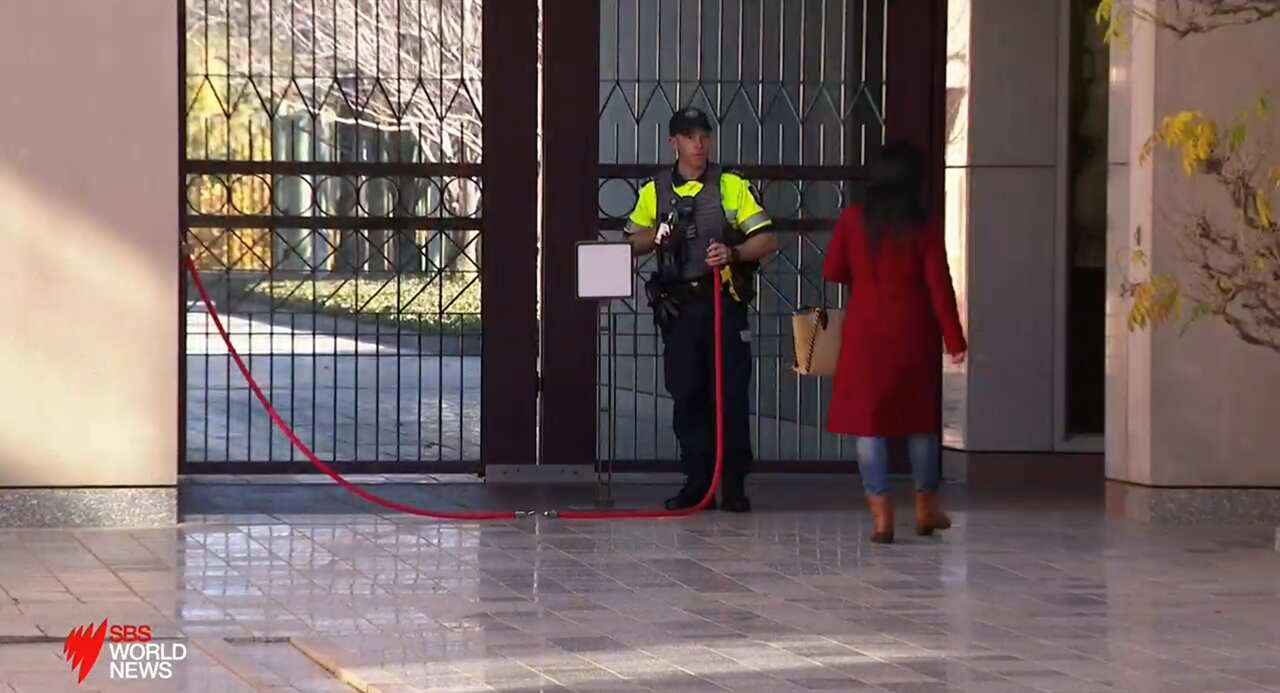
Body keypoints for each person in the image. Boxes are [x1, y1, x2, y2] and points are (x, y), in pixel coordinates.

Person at [624, 106, 778, 512]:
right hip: (681, 309)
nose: (699, 144)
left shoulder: (730, 186)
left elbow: (766, 240)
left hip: (723, 305)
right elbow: (629, 243)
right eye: (690, 136)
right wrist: (655, 235)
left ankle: (733, 484)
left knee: (729, 393)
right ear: (673, 142)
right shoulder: (654, 191)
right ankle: (697, 480)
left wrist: (733, 251)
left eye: (704, 136)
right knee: (687, 393)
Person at [821, 140, 967, 543]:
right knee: (920, 424)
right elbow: (940, 285)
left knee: (869, 425)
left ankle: (881, 516)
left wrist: (865, 278)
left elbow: (832, 269)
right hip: (914, 333)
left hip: (866, 334)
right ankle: (925, 508)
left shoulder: (853, 220)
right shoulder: (924, 224)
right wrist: (954, 339)